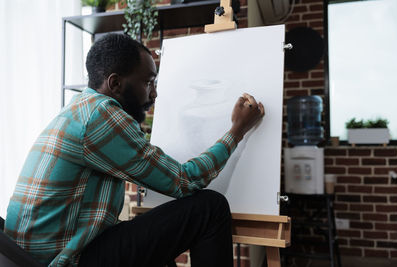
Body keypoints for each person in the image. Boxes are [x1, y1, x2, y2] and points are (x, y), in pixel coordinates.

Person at [5, 33, 264, 267]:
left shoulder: (82, 108)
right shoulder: (101, 116)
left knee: (155, 247)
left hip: (33, 256)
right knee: (210, 207)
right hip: (61, 261)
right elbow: (185, 181)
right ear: (115, 83)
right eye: (148, 82)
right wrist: (237, 130)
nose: (155, 93)